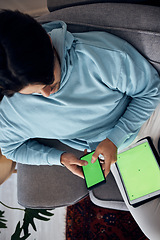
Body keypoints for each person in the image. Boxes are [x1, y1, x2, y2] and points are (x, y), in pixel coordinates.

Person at [0, 10, 160, 239]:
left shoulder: (100, 55)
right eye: (34, 92)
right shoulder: (11, 113)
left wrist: (114, 137)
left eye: (49, 81)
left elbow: (150, 91)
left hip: (146, 115)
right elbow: (10, 149)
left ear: (47, 41)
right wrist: (60, 158)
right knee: (155, 231)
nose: (47, 94)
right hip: (121, 153)